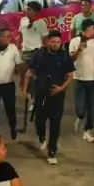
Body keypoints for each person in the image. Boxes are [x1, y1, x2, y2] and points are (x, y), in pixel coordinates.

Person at [23, 31, 75, 165]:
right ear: (47, 41)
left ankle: (52, 150)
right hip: (41, 94)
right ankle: (41, 136)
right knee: (39, 121)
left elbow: (70, 76)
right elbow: (29, 73)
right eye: (53, 42)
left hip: (57, 96)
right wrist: (25, 90)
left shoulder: (64, 56)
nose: (55, 44)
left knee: (55, 124)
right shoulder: (39, 55)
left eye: (58, 42)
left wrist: (61, 88)